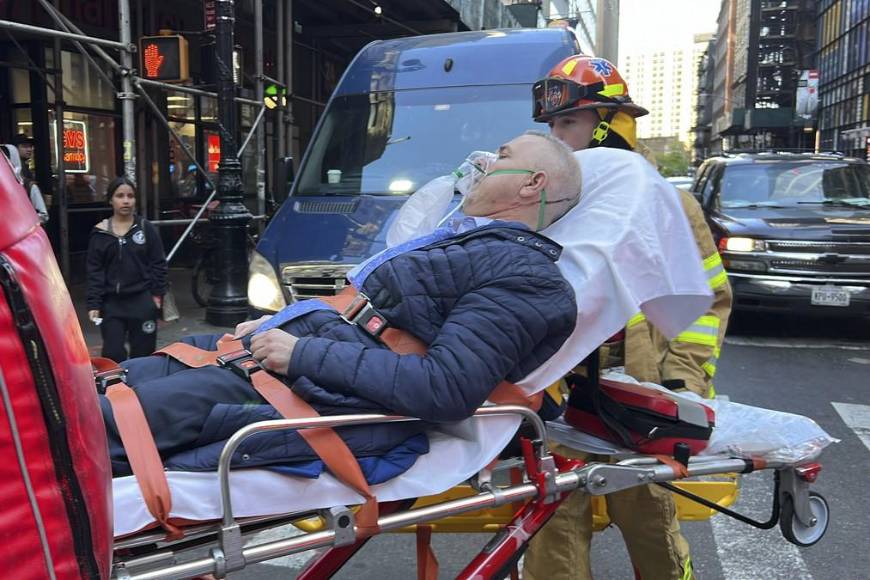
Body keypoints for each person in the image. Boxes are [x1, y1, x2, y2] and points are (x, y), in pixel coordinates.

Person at [99, 132, 581, 477]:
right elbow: (364, 311)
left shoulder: (528, 278)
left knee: (103, 425)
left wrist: (300, 352)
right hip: (274, 353)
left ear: (531, 184)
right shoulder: (468, 244)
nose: (481, 162)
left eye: (501, 155)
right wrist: (283, 322)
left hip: (303, 381)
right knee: (110, 380)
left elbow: (447, 388)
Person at [523, 56, 733, 580]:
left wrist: (682, 381)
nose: (556, 135)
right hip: (559, 392)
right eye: (551, 125)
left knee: (650, 521)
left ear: (607, 124)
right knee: (554, 525)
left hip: (639, 395)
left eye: (567, 122)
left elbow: (707, 301)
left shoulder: (667, 204)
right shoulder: (546, 203)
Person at [86, 176, 168, 362]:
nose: (125, 200)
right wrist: (94, 303)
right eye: (120, 196)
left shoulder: (146, 229)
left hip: (142, 302)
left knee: (144, 355)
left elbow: (159, 264)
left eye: (130, 196)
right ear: (110, 200)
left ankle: (142, 389)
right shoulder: (100, 232)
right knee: (113, 353)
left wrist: (156, 296)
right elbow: (94, 270)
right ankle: (117, 390)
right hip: (112, 305)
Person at [1, 139, 48, 224]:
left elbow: (43, 215)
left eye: (30, 146)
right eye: (24, 146)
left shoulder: (29, 185)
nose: (29, 149)